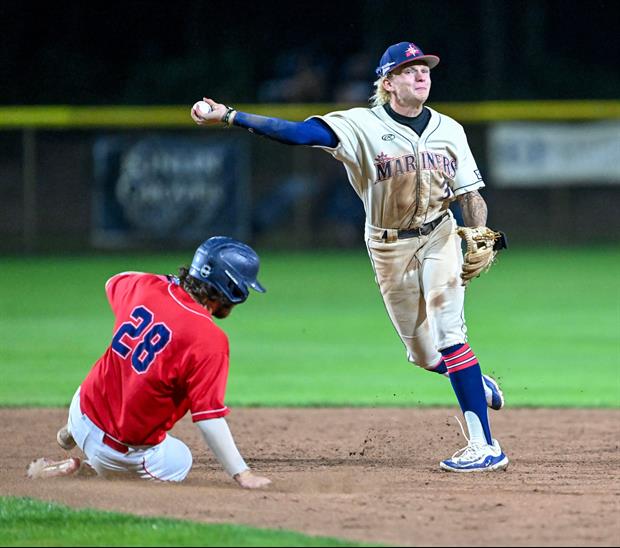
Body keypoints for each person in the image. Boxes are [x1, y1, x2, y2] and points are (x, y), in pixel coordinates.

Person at [191, 41, 509, 473]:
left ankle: (484, 445)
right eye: (411, 70)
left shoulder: (450, 130)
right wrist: (230, 115)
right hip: (387, 245)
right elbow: (299, 134)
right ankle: (472, 379)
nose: (422, 76)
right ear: (389, 82)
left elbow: (470, 193)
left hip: (440, 236)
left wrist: (474, 231)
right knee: (424, 354)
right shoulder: (359, 125)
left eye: (426, 69)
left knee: (450, 331)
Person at [35, 237, 271, 488]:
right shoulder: (210, 339)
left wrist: (168, 281)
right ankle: (91, 469)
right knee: (181, 459)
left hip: (81, 409)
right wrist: (243, 475)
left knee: (114, 373)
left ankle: (72, 432)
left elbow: (113, 280)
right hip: (115, 453)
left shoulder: (146, 286)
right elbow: (208, 418)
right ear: (231, 291)